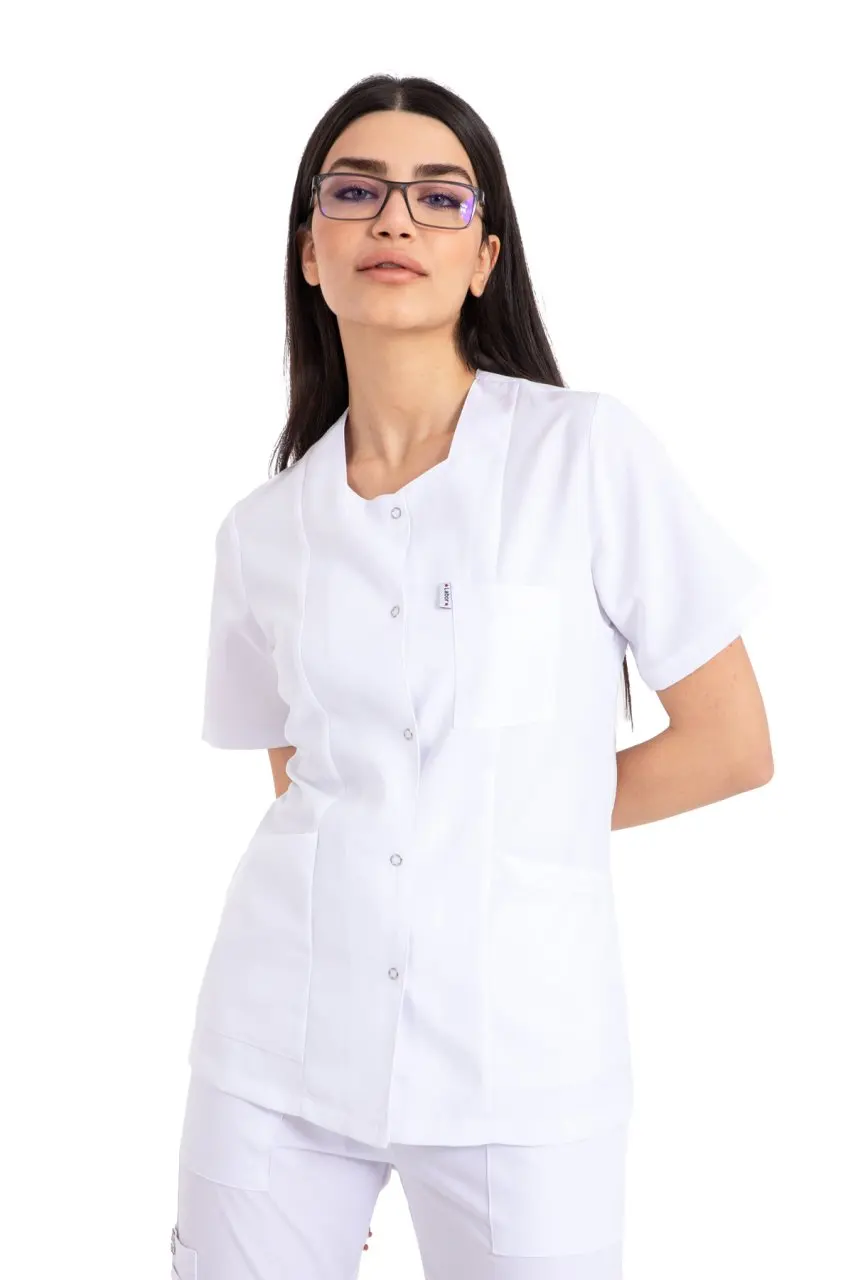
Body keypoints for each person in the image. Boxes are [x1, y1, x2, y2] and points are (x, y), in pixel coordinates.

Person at [169, 74, 773, 1280]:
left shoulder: (582, 453)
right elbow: (298, 774)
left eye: (438, 196)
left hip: (522, 1055)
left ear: (485, 256)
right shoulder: (262, 530)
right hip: (276, 1039)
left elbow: (729, 742)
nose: (395, 218)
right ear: (310, 251)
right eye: (355, 192)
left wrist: (512, 810)